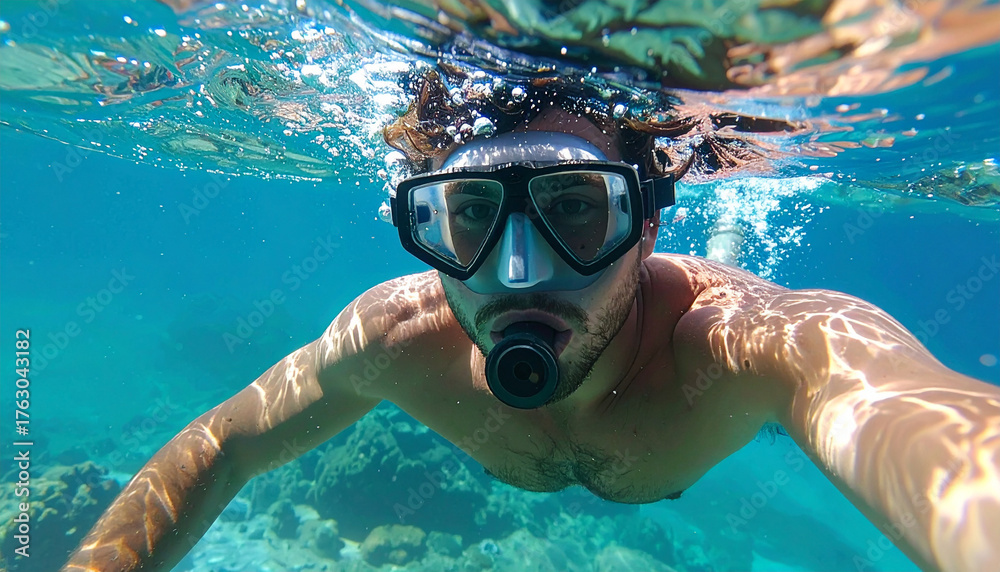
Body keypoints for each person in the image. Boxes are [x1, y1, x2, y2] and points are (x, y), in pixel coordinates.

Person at [63, 70, 999, 572]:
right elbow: (226, 443)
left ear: (647, 223)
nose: (519, 274)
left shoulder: (742, 343)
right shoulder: (396, 338)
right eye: (471, 214)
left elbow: (920, 418)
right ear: (425, 229)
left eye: (576, 208)